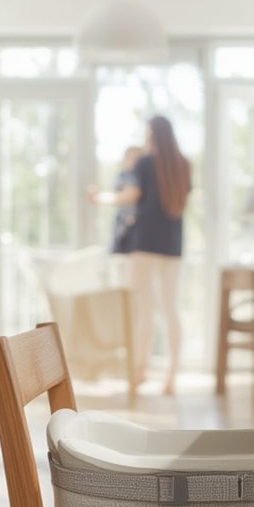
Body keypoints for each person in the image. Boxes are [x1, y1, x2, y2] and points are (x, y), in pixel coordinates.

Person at [88, 116, 191, 396]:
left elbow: (129, 197)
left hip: (144, 244)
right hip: (172, 246)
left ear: (152, 135)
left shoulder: (145, 163)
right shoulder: (183, 165)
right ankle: (171, 376)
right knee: (171, 309)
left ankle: (139, 370)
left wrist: (100, 199)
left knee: (143, 309)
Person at [109, 145, 142, 256]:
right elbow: (118, 197)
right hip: (122, 224)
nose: (133, 161)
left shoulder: (140, 177)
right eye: (130, 157)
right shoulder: (122, 176)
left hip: (136, 226)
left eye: (137, 158)